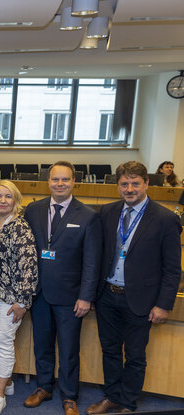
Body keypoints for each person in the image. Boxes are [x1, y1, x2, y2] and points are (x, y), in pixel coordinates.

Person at [86, 161, 181, 414]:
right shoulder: (107, 212)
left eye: (135, 183)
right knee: (110, 351)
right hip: (107, 295)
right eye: (124, 184)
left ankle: (128, 403)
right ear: (117, 186)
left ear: (146, 184)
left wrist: (163, 304)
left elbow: (172, 268)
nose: (129, 189)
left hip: (141, 299)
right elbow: (98, 255)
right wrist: (91, 294)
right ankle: (111, 397)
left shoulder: (165, 219)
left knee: (135, 356)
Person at [22, 161, 101, 415]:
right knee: (42, 345)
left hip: (70, 297)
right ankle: (44, 387)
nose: (60, 184)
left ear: (74, 182)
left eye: (65, 179)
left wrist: (86, 297)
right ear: (48, 182)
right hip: (39, 293)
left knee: (68, 349)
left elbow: (92, 261)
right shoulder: (33, 210)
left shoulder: (88, 215)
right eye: (55, 179)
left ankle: (69, 396)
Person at [0, 180, 38, 415]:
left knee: (3, 342)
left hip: (10, 296)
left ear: (16, 200)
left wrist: (22, 301)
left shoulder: (20, 227)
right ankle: (7, 382)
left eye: (8, 196)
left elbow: (29, 266)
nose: (2, 201)